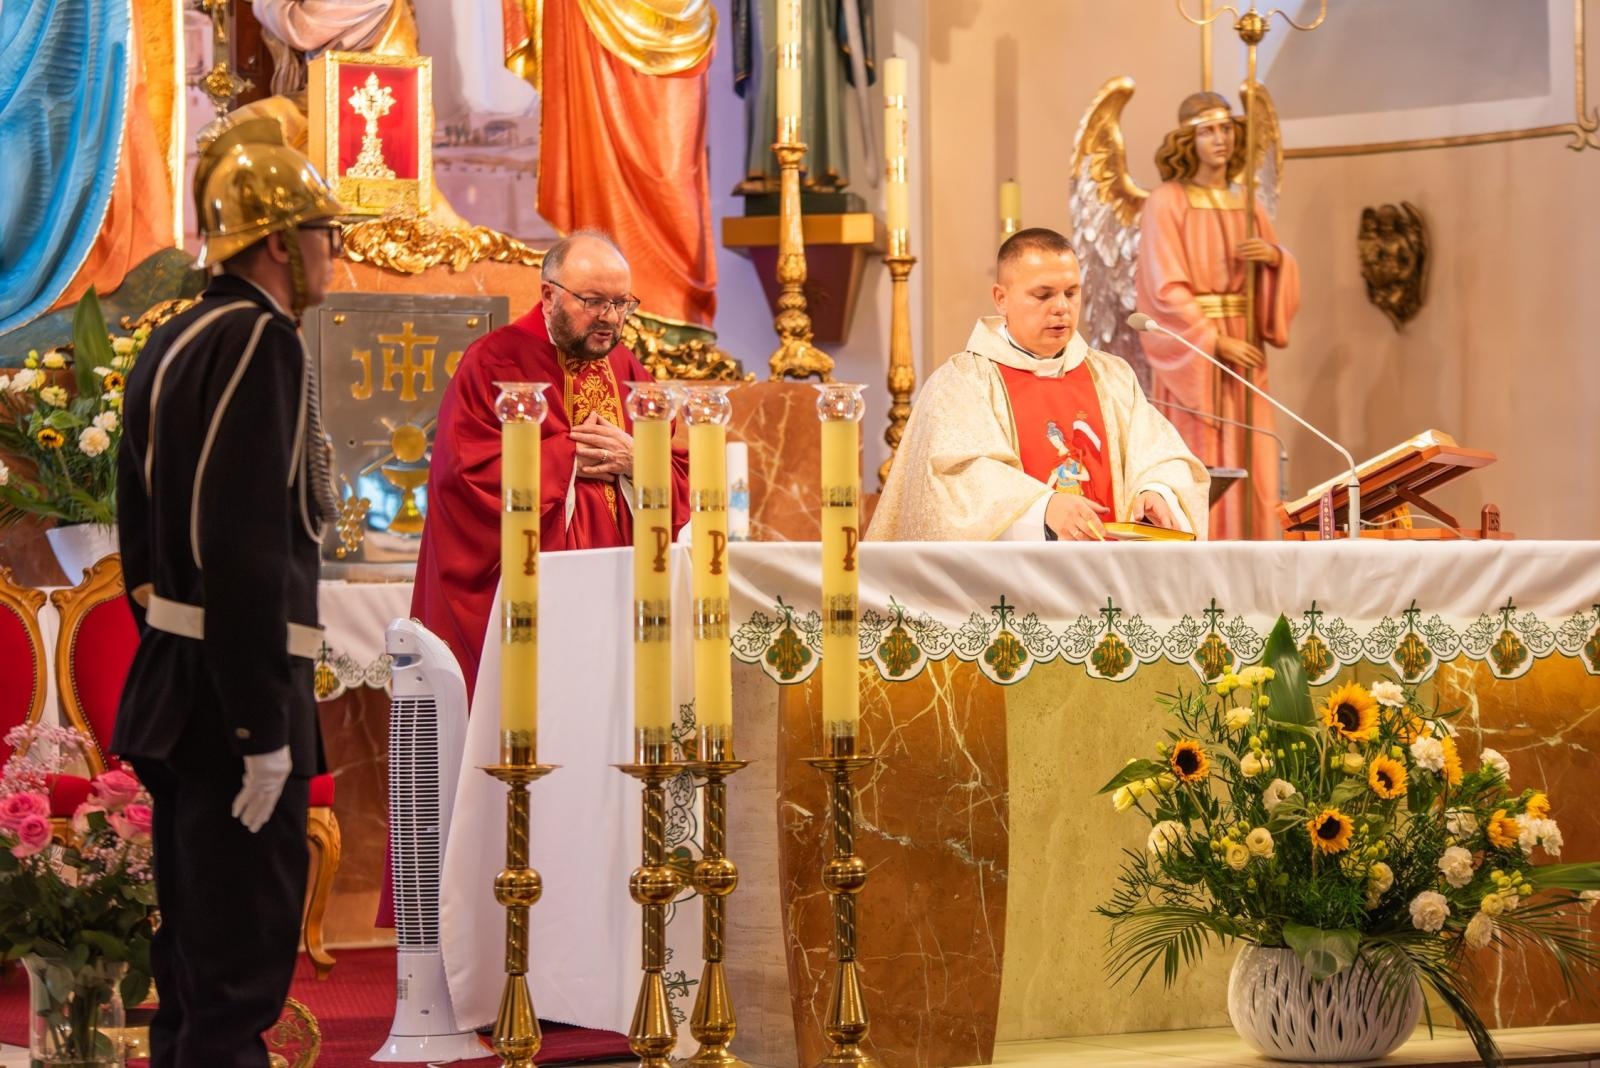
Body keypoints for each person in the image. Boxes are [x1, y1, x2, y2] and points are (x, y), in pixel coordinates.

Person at [113, 117, 345, 1066]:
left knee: (195, 970)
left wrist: (176, 646)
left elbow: (140, 529)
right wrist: (260, 732)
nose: (339, 253)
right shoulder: (262, 340)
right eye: (327, 232)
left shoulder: (177, 337)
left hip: (178, 679)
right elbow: (244, 546)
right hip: (236, 696)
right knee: (240, 971)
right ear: (282, 242)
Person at [410, 230, 690, 699]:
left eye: (623, 304)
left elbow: (679, 467)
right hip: (533, 606)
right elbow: (465, 477)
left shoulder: (625, 368)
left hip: (622, 601)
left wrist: (641, 461)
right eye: (594, 301)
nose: (611, 319)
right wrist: (566, 458)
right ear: (548, 295)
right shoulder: (493, 363)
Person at [870, 227, 1208, 542]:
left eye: (1071, 293)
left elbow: (1163, 456)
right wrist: (1043, 508)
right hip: (1010, 590)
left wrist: (1156, 490)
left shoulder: (1112, 377)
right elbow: (953, 482)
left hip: (1110, 581)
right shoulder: (962, 383)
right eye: (1043, 294)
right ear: (1001, 298)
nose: (1061, 308)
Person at [1135, 91, 1300, 540]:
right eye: (1208, 130)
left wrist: (1273, 259)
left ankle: (1257, 564)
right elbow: (1162, 286)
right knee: (1202, 459)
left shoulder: (1247, 205)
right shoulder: (1166, 201)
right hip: (1194, 353)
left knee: (1257, 464)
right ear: (1188, 140)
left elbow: (1276, 287)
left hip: (1245, 348)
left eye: (1227, 127)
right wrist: (1213, 340)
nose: (1221, 139)